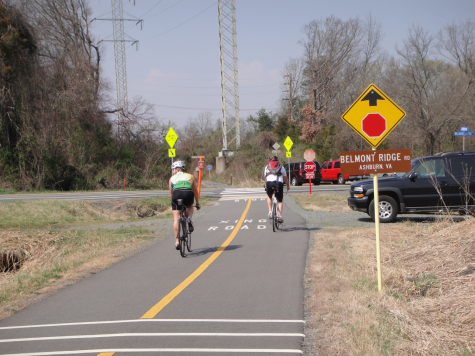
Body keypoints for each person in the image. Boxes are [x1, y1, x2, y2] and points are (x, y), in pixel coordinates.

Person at [169, 160, 200, 250]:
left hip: (176, 195)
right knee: (189, 206)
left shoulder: (172, 178)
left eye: (173, 169)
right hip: (188, 194)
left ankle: (177, 242)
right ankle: (189, 218)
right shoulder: (190, 176)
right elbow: (195, 191)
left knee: (176, 218)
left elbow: (171, 194)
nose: (172, 171)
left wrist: (173, 203)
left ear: (177, 169)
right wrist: (197, 203)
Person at [263, 156, 290, 222]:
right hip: (279, 184)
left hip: (269, 183)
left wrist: (267, 186)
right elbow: (285, 178)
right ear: (277, 161)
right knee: (279, 201)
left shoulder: (267, 167)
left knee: (269, 196)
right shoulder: (281, 167)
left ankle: (270, 212)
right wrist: (288, 185)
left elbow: (265, 179)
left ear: (270, 161)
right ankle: (279, 216)